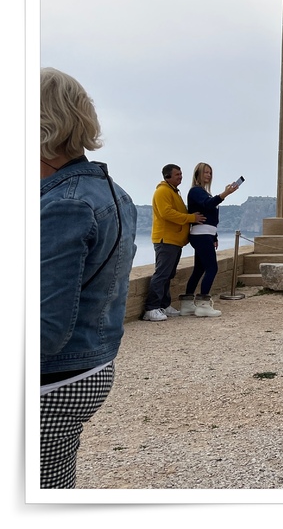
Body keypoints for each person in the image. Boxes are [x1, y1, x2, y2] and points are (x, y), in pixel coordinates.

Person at [40, 67, 138, 488]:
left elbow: (45, 330)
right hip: (93, 367)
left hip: (53, 379)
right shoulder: (115, 193)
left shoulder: (63, 204)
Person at [144, 164, 205, 321]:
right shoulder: (162, 191)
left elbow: (178, 212)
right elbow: (167, 213)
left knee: (168, 274)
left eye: (181, 173)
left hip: (175, 241)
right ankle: (151, 308)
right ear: (167, 176)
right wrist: (191, 218)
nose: (181, 176)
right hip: (166, 240)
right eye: (177, 174)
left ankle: (164, 305)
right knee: (162, 274)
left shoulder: (174, 192)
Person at [182, 163, 239, 317]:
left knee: (199, 269)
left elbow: (211, 216)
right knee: (212, 268)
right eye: (205, 172)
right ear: (197, 175)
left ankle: (187, 304)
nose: (208, 175)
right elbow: (208, 204)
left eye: (210, 172)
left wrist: (214, 236)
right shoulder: (196, 191)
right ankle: (203, 305)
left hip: (205, 234)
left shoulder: (204, 192)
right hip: (200, 235)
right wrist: (225, 194)